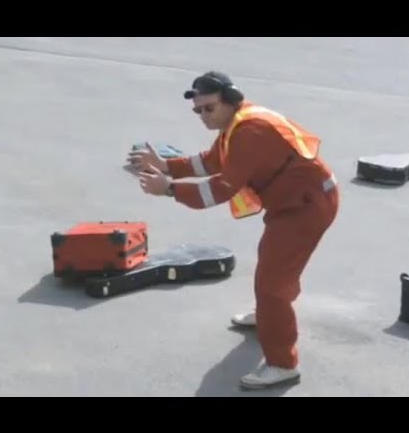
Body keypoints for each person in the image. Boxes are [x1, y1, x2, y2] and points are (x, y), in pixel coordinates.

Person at [127, 71, 339, 390]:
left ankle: (283, 364)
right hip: (295, 204)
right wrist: (167, 166)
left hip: (305, 209)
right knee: (274, 266)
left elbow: (221, 188)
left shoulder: (250, 131)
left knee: (271, 283)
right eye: (198, 110)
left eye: (208, 108)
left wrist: (169, 188)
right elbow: (213, 161)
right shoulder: (236, 124)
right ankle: (270, 316)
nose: (202, 116)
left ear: (230, 100)